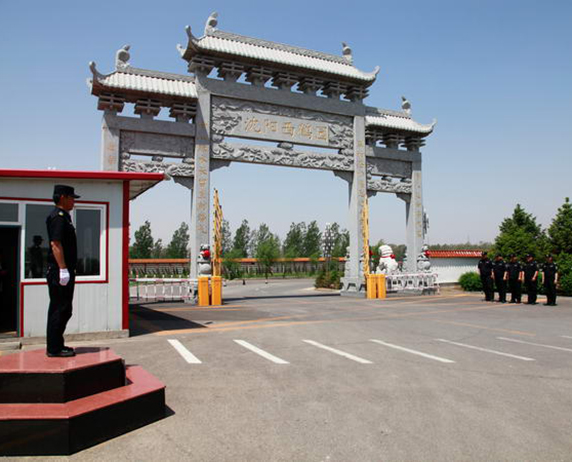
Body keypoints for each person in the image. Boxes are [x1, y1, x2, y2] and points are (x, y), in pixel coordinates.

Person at [46, 185, 80, 358]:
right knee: (59, 308)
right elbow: (56, 244)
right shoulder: (58, 217)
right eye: (71, 198)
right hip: (59, 271)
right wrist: (63, 269)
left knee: (64, 308)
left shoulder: (64, 217)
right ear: (62, 198)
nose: (73, 201)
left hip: (63, 270)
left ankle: (57, 344)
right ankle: (54, 348)